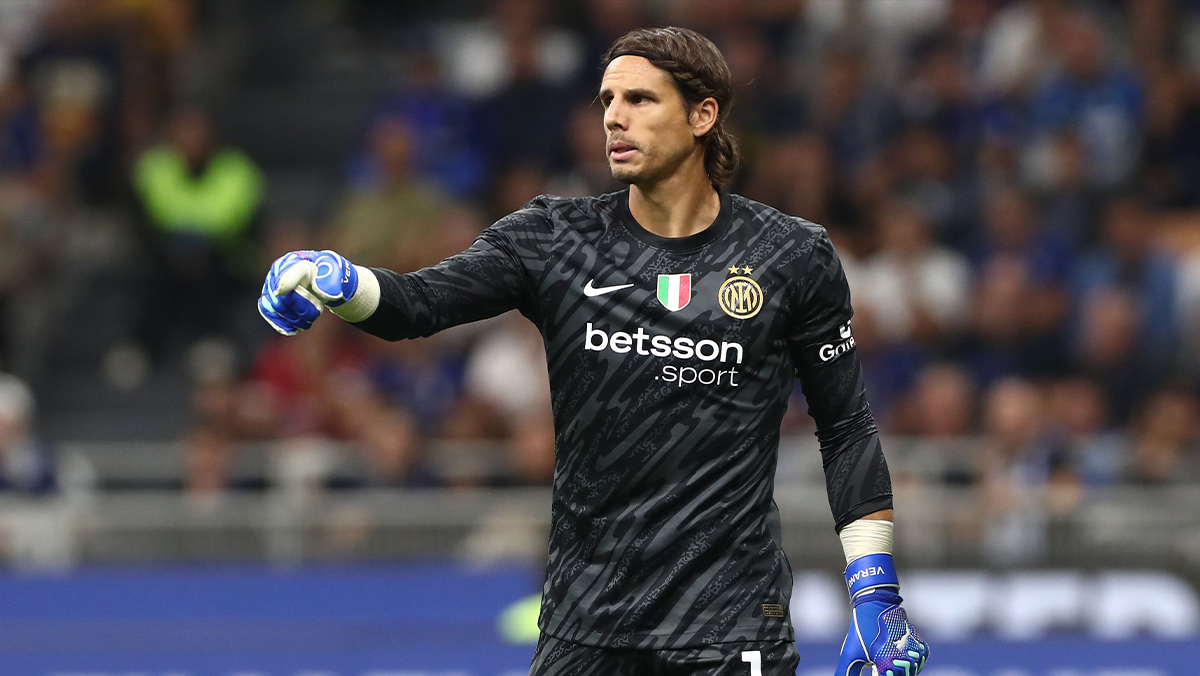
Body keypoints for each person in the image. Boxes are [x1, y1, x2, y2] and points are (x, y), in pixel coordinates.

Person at [258, 27, 928, 676]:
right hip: (586, 623)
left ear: (703, 115)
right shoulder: (554, 238)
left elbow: (846, 428)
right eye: (607, 100)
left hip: (731, 625)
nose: (614, 117)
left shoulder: (791, 255)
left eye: (639, 99)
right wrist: (337, 279)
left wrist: (874, 593)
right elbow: (417, 305)